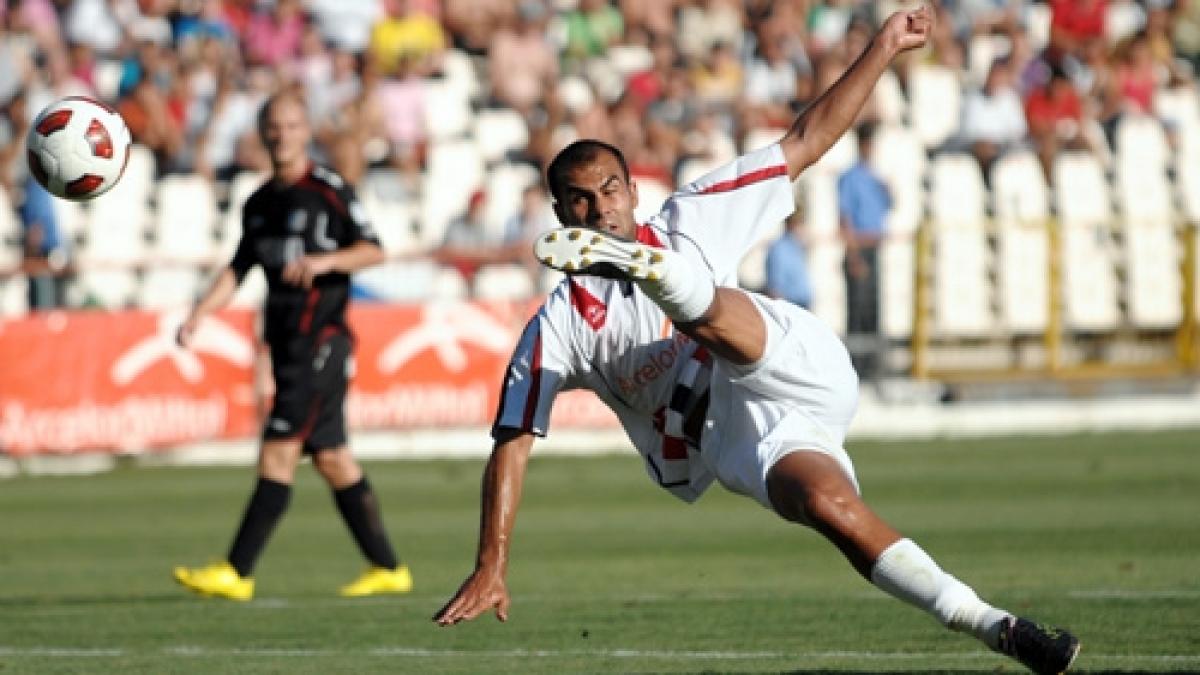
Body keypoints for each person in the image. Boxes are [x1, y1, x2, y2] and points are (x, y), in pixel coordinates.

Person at [434, 8, 1080, 675]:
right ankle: (995, 625)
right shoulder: (559, 326)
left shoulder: (690, 217)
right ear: (560, 214)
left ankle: (660, 277)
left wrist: (884, 46)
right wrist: (491, 562)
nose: (601, 209)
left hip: (785, 359)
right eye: (580, 200)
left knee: (705, 316)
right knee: (831, 509)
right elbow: (512, 441)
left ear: (632, 191)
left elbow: (805, 140)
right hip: (738, 433)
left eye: (610, 190)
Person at [172, 92, 412, 601]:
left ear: (306, 131)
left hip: (320, 341)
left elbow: (374, 251)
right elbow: (239, 267)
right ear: (263, 133)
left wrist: (326, 262)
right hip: (285, 346)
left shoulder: (329, 191)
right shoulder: (259, 202)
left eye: (291, 125)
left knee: (278, 452)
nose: (281, 134)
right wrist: (199, 313)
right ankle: (389, 568)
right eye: (273, 126)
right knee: (332, 459)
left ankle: (236, 571)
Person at [838, 119, 890, 381]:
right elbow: (845, 218)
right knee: (858, 311)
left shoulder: (875, 178)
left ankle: (872, 368)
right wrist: (854, 254)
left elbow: (887, 207)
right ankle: (857, 369)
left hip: (874, 248)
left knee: (873, 310)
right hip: (859, 248)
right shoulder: (850, 178)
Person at [765, 212, 812, 309]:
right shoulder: (779, 248)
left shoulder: (796, 245)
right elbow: (775, 286)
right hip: (790, 304)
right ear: (793, 224)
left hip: (802, 303)